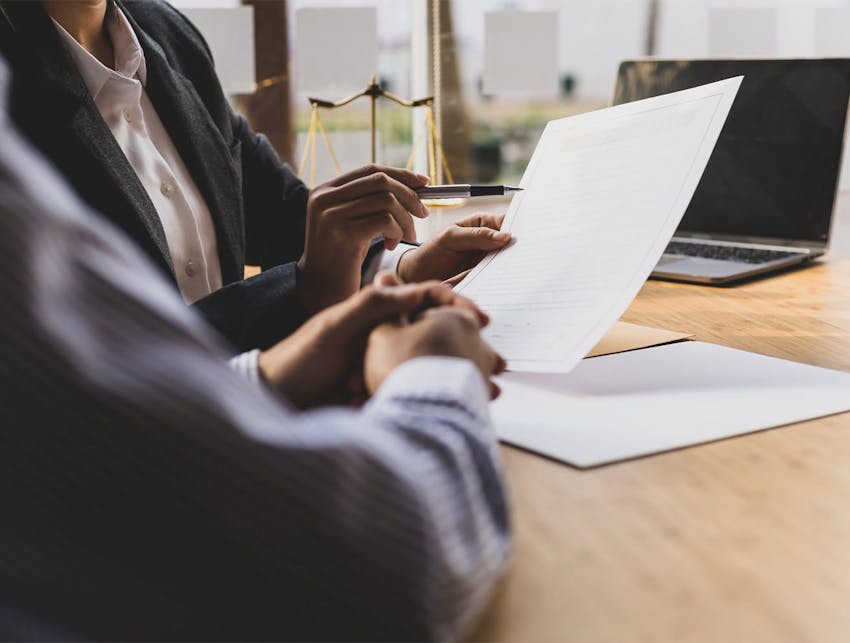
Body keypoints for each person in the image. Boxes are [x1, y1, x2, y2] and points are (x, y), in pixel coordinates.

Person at [0, 55, 511, 640]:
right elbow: (374, 565)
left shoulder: (160, 32)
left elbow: (284, 213)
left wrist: (268, 373)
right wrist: (435, 373)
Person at [0, 0, 511, 352]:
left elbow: (282, 212)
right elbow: (112, 351)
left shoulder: (164, 34)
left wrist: (403, 269)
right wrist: (306, 288)